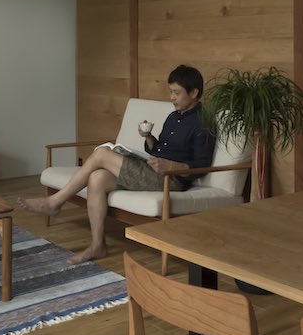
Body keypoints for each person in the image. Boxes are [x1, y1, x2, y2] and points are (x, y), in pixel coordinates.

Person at [20, 65, 215, 264]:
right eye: (170, 92)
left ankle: (54, 202)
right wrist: (148, 138)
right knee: (97, 178)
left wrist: (171, 166)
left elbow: (202, 164)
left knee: (102, 154)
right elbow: (157, 151)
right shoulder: (173, 117)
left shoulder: (203, 123)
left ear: (194, 92)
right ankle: (98, 246)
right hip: (151, 170)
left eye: (176, 93)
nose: (171, 97)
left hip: (170, 180)